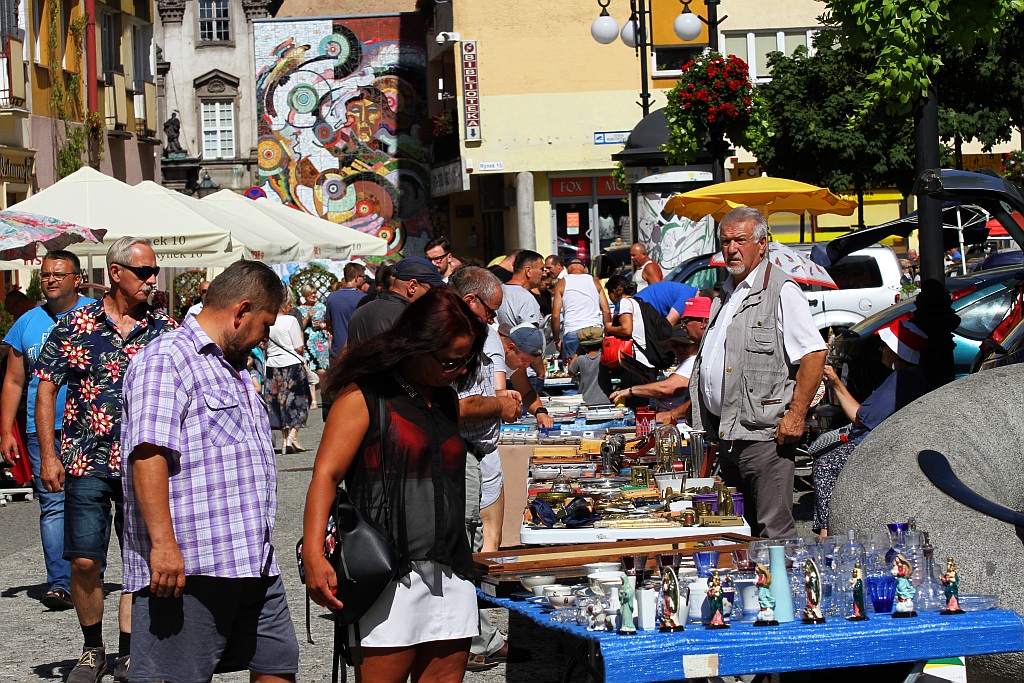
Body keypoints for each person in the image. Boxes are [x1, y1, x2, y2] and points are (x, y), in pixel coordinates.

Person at [121, 261, 299, 683]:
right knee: (176, 677)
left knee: (278, 661)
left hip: (252, 561)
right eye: (265, 325)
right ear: (241, 311)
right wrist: (163, 545)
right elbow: (148, 455)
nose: (265, 337)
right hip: (191, 566)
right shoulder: (167, 358)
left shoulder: (234, 364)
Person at [304, 288, 488, 683]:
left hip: (451, 569)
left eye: (466, 360)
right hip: (388, 573)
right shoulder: (363, 396)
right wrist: (316, 556)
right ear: (418, 346)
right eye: (450, 361)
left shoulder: (446, 399)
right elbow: (325, 475)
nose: (459, 370)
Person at [34, 236, 177, 683]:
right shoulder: (76, 325)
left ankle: (130, 652)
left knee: (139, 560)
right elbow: (46, 388)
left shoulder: (165, 329)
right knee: (83, 561)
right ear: (115, 273)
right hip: (86, 460)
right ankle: (92, 648)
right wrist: (49, 455)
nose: (153, 280)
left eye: (155, 272)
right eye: (144, 272)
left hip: (144, 463)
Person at [691, 207, 827, 539]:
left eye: (740, 240)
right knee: (741, 529)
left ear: (762, 244)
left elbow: (814, 354)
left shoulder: (781, 290)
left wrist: (796, 414)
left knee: (774, 530)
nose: (732, 249)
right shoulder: (726, 292)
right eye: (726, 242)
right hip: (727, 434)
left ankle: (785, 576)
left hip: (764, 437)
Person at [0, 251, 94, 611]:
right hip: (42, 429)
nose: (50, 280)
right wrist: (6, 431)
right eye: (45, 275)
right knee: (53, 505)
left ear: (77, 279)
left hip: (91, 427)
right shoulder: (27, 323)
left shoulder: (97, 315)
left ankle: (89, 575)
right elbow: (13, 380)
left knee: (89, 502)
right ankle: (60, 583)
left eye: (58, 274)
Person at [448, 266, 528, 672]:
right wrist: (500, 404)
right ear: (470, 301)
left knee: (470, 546)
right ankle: (470, 643)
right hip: (458, 451)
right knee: (461, 550)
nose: (494, 319)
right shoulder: (450, 336)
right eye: (491, 311)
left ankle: (477, 638)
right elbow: (453, 406)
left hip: (473, 450)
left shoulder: (471, 334)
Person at [813, 319, 932, 535]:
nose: (881, 350)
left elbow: (860, 418)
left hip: (876, 444)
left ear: (897, 353)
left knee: (825, 464)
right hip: (884, 440)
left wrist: (835, 383)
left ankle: (827, 530)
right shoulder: (911, 376)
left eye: (885, 346)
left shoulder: (903, 379)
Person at [610, 295, 710, 423]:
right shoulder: (692, 360)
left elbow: (667, 388)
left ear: (703, 322)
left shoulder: (692, 361)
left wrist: (631, 390)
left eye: (686, 321)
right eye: (675, 345)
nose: (683, 326)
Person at [348, 257, 445, 342]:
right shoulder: (411, 319)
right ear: (412, 286)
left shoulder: (359, 313)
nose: (434, 296)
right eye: (431, 290)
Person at [603, 275, 656, 403]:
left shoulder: (624, 303)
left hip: (634, 363)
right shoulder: (636, 301)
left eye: (609, 294)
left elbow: (626, 329)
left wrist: (609, 327)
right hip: (645, 360)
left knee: (635, 406)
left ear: (614, 291)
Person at [266, 296, 309, 454]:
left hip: (272, 364)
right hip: (292, 363)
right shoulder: (290, 321)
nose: (291, 308)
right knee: (299, 401)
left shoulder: (268, 321)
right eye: (289, 305)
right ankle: (292, 435)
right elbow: (299, 347)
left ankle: (285, 440)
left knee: (279, 402)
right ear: (284, 306)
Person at [551, 257, 610, 362]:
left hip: (573, 331)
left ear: (567, 270)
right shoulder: (595, 281)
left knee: (573, 369)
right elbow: (606, 311)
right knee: (596, 368)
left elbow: (555, 315)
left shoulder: (561, 283)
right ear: (584, 269)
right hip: (594, 331)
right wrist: (607, 332)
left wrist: (556, 340)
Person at [324, 262, 366, 359]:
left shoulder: (332, 297)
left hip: (337, 350)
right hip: (357, 350)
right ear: (356, 277)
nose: (364, 280)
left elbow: (328, 324)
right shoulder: (364, 299)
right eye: (363, 277)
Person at [298, 284, 330, 389]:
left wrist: (321, 325)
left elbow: (329, 324)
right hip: (307, 344)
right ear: (305, 294)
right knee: (309, 371)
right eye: (311, 293)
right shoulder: (299, 309)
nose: (313, 295)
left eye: (315, 293)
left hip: (320, 343)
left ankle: (325, 391)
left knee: (322, 370)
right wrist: (307, 317)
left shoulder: (321, 307)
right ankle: (312, 396)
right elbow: (299, 327)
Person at [568, 326, 608, 405]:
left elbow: (570, 371)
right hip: (606, 400)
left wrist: (577, 353)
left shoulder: (580, 360)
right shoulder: (605, 358)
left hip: (586, 402)